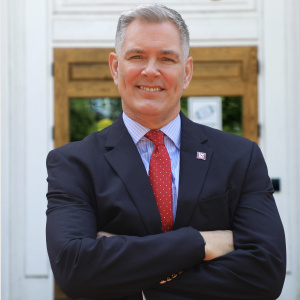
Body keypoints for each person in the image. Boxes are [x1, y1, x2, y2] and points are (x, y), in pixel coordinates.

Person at [46, 3, 286, 300]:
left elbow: (266, 274)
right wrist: (200, 242)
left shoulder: (241, 157)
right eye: (137, 56)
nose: (150, 70)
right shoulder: (73, 164)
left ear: (186, 72)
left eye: (166, 58)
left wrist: (133, 276)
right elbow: (75, 270)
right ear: (115, 67)